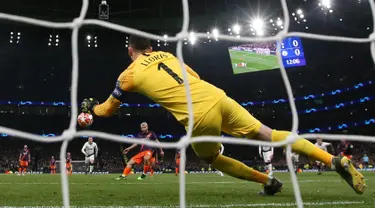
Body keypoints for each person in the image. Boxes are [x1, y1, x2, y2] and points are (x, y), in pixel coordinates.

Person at [80, 35, 365, 195]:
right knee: (266, 133)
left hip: (198, 115)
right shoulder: (168, 56)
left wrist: (90, 106)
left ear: (130, 51)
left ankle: (268, 182)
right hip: (216, 95)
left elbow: (106, 110)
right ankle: (333, 160)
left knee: (211, 157)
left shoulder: (127, 75)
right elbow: (195, 75)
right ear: (150, 48)